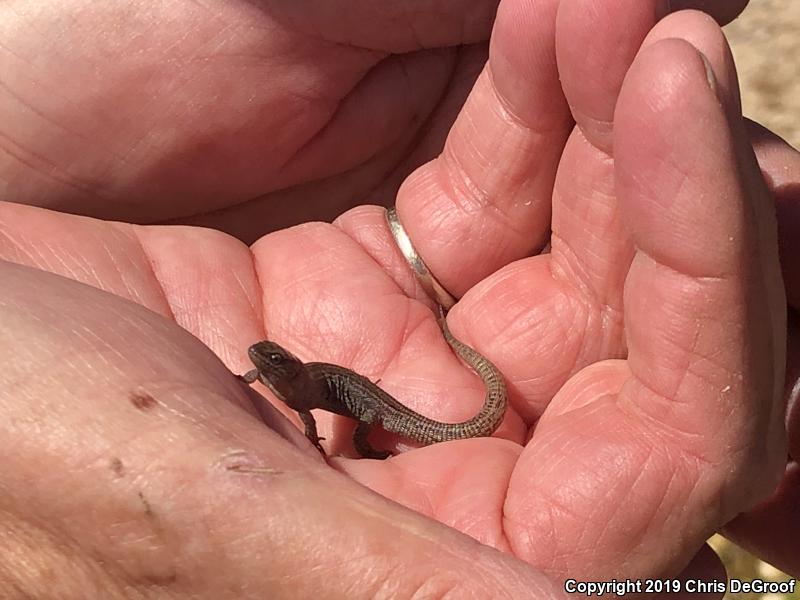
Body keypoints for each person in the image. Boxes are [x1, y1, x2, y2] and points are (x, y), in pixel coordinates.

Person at [0, 0, 797, 597]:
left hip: (366, 399)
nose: (261, 360)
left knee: (396, 423)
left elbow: (319, 410)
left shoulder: (303, 386)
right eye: (263, 362)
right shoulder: (277, 376)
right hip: (343, 381)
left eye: (267, 358)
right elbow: (289, 395)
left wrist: (336, 444)